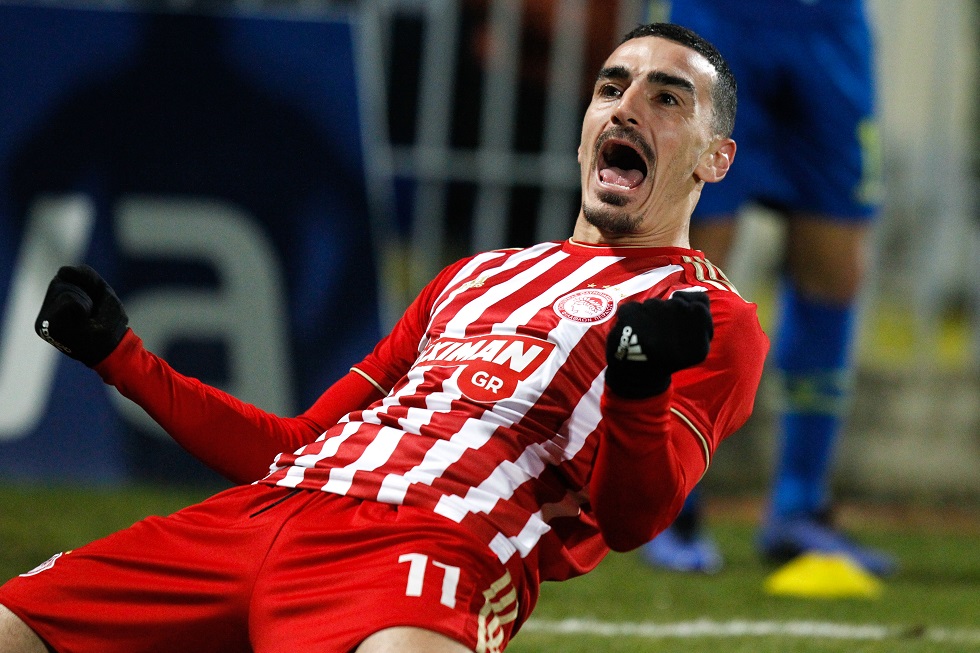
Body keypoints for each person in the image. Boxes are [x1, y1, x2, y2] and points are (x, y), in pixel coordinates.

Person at [0, 23, 767, 653]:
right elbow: (291, 444)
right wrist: (121, 357)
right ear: (584, 132)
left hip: (433, 546)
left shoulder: (706, 314)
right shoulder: (476, 275)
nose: (627, 108)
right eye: (611, 87)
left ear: (716, 158)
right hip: (260, 514)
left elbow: (632, 520)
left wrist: (636, 382)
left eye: (667, 98)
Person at [642, 0, 896, 577]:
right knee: (693, 256)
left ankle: (799, 507)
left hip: (830, 28)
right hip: (717, 21)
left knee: (834, 265)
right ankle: (672, 503)